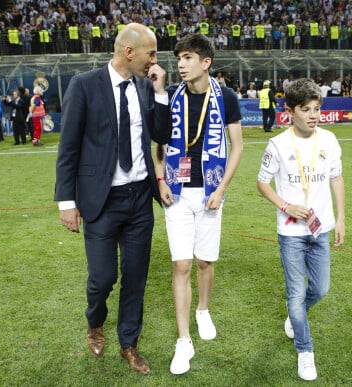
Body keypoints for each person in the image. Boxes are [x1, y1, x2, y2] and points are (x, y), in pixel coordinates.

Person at [54, 23, 171, 376]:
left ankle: (129, 344)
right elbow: (69, 147)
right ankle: (95, 321)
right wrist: (66, 202)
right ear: (129, 52)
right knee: (102, 277)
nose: (155, 60)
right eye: (151, 53)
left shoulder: (146, 86)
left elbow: (161, 134)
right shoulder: (85, 85)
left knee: (135, 277)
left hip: (139, 199)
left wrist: (161, 92)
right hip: (100, 201)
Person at [154, 33, 243, 375]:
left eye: (188, 57)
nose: (180, 64)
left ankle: (203, 310)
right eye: (179, 58)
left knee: (205, 262)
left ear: (206, 62)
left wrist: (221, 189)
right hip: (176, 192)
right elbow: (159, 144)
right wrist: (161, 179)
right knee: (181, 266)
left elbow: (237, 148)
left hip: (209, 192)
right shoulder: (172, 96)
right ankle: (183, 340)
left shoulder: (227, 97)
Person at [256, 78, 345, 382]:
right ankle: (305, 351)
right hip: (291, 233)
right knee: (295, 294)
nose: (312, 115)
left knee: (320, 289)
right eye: (305, 109)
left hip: (320, 230)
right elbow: (261, 183)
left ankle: (296, 315)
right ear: (289, 111)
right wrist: (285, 205)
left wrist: (341, 218)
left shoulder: (330, 140)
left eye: (316, 109)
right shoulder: (278, 144)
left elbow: (336, 179)